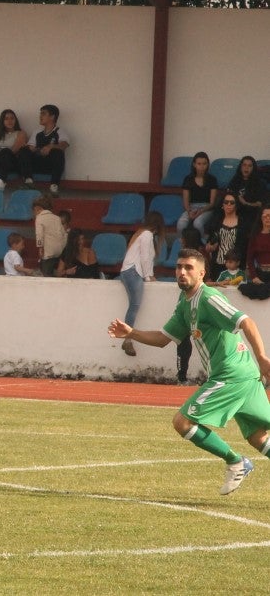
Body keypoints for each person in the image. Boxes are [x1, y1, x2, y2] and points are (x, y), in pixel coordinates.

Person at [108, 248, 270, 496]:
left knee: (183, 422)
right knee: (259, 437)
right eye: (179, 267)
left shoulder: (209, 298)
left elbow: (245, 321)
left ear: (202, 273)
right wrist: (131, 333)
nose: (181, 272)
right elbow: (164, 338)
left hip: (230, 375)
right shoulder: (185, 303)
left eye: (188, 268)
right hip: (243, 375)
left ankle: (236, 462)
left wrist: (262, 357)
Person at [118, 212, 164, 356]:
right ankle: (127, 338)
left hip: (128, 271)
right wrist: (148, 276)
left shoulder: (142, 233)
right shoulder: (147, 235)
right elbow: (145, 258)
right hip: (133, 271)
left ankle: (127, 338)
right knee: (135, 305)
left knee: (133, 305)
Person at [23, 104, 70, 195]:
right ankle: (28, 181)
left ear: (52, 117)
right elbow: (31, 147)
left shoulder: (59, 131)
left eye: (43, 114)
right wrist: (37, 149)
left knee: (57, 152)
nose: (40, 116)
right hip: (37, 163)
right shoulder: (37, 132)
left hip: (50, 166)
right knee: (24, 150)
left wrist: (51, 146)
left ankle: (54, 185)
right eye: (40, 114)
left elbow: (64, 145)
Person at [177, 151, 219, 235]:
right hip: (191, 207)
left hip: (207, 208)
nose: (202, 166)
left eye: (204, 164)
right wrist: (189, 211)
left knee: (197, 223)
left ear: (208, 165)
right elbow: (185, 201)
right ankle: (182, 245)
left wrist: (201, 211)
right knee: (181, 223)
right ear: (194, 164)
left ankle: (201, 244)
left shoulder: (212, 179)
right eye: (199, 164)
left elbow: (212, 203)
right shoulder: (188, 179)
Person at [205, 193, 244, 277]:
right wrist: (209, 247)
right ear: (222, 205)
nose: (228, 204)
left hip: (235, 266)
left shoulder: (242, 223)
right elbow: (210, 242)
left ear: (236, 205)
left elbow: (244, 247)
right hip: (217, 264)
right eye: (226, 202)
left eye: (232, 202)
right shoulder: (216, 221)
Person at [227, 156, 265, 239]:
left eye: (249, 166)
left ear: (253, 168)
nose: (246, 168)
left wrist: (245, 203)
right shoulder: (235, 180)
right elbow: (228, 195)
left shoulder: (259, 183)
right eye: (244, 165)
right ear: (240, 167)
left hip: (250, 212)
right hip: (234, 210)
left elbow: (259, 204)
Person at [32, 194, 66, 276]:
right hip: (59, 251)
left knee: (46, 275)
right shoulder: (57, 218)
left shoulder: (39, 218)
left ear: (37, 209)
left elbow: (39, 234)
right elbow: (63, 235)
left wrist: (40, 248)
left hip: (48, 252)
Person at [244, 206, 270, 286]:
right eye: (265, 216)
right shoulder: (255, 236)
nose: (267, 218)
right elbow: (249, 258)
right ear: (261, 218)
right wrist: (254, 277)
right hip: (260, 275)